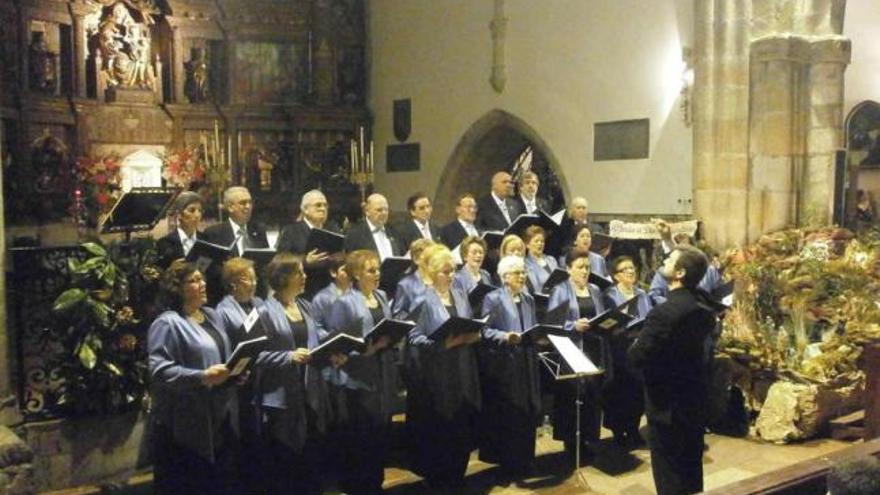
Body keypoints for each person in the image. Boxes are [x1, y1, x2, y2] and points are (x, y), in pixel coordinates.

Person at [629, 245, 718, 495]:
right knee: (690, 470)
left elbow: (636, 357)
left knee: (668, 475)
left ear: (679, 273)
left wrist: (636, 343)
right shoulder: (704, 309)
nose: (665, 259)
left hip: (666, 404)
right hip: (694, 400)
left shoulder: (663, 312)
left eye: (670, 258)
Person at [148, 260, 239, 494]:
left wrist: (234, 375)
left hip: (218, 415)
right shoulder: (167, 323)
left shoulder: (211, 315)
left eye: (202, 279)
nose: (202, 284)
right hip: (186, 424)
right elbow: (159, 370)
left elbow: (222, 358)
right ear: (177, 289)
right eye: (194, 280)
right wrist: (202, 376)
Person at [406, 244, 482, 489]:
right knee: (441, 427)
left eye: (453, 271)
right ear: (432, 273)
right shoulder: (422, 299)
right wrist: (444, 344)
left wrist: (473, 333)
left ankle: (457, 475)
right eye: (445, 272)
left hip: (462, 367)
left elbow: (468, 322)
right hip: (437, 372)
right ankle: (440, 479)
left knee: (461, 423)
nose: (450, 276)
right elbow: (413, 337)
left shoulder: (459, 294)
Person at [325, 250, 397, 495]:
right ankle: (359, 486)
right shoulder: (345, 302)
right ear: (356, 274)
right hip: (358, 376)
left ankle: (375, 483)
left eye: (378, 269)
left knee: (380, 432)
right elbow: (336, 346)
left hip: (382, 371)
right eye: (370, 270)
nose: (377, 275)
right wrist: (368, 349)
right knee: (362, 436)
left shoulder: (382, 296)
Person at [258, 255, 329, 495]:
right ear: (283, 277)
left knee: (311, 461)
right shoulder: (264, 310)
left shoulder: (305, 305)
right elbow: (254, 357)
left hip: (309, 393)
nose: (305, 276)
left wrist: (333, 350)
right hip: (281, 398)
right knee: (286, 465)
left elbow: (316, 340)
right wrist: (287, 356)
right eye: (300, 272)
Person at [478, 255, 541, 477]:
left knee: (528, 410)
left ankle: (527, 458)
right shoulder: (493, 298)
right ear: (505, 277)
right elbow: (485, 331)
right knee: (511, 411)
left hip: (527, 359)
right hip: (506, 362)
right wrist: (506, 336)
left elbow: (532, 326)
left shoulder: (528, 299)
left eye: (524, 272)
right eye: (517, 273)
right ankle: (510, 462)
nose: (522, 276)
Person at [546, 248, 607, 459]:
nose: (585, 271)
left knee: (591, 397)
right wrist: (574, 325)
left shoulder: (595, 290)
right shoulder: (560, 290)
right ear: (568, 268)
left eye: (588, 267)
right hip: (572, 350)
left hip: (593, 348)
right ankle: (571, 445)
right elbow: (552, 323)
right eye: (580, 267)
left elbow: (600, 316)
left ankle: (588, 440)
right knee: (572, 398)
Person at [214, 257, 265, 495]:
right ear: (233, 283)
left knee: (259, 439)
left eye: (255, 278)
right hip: (238, 384)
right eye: (248, 279)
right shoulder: (223, 311)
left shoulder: (259, 303)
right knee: (241, 440)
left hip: (260, 378)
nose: (253, 283)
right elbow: (223, 347)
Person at [602, 255, 654, 447]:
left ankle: (633, 429)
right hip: (619, 348)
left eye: (632, 268)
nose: (631, 272)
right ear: (616, 276)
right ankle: (618, 431)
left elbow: (649, 318)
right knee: (621, 391)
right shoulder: (610, 295)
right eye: (625, 269)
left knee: (638, 391)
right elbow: (607, 322)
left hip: (640, 347)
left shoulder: (642, 293)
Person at [276, 189, 341, 299]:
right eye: (318, 205)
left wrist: (339, 257)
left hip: (330, 289)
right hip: (303, 291)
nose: (323, 209)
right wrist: (305, 260)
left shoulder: (333, 229)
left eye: (325, 205)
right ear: (305, 209)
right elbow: (281, 259)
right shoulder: (291, 231)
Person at [203, 186, 269, 255]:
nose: (248, 206)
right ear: (230, 207)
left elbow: (266, 258)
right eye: (243, 203)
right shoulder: (214, 234)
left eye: (250, 202)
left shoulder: (258, 230)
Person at [344, 193, 403, 261]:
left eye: (386, 210)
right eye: (379, 210)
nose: (384, 213)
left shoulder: (395, 231)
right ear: (367, 211)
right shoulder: (355, 234)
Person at [156, 191, 203, 269]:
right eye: (192, 210)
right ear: (179, 214)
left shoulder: (205, 239)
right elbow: (160, 273)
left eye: (200, 210)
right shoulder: (165, 242)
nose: (197, 215)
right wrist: (171, 269)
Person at [391, 238, 434, 319]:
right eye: (427, 257)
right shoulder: (406, 284)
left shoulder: (440, 280)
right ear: (416, 259)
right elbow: (397, 315)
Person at [523, 225, 558, 294]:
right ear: (527, 244)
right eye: (536, 241)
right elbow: (535, 288)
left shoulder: (551, 260)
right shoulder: (525, 264)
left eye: (542, 241)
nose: (540, 244)